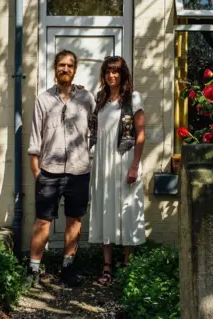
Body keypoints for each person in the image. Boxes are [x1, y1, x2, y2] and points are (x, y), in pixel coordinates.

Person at [26, 50, 96, 287]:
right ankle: (33, 270)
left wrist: (90, 154)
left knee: (74, 220)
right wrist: (36, 171)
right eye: (61, 65)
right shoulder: (43, 99)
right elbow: (35, 137)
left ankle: (68, 268)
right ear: (54, 68)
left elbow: (96, 129)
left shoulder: (87, 98)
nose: (65, 69)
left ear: (75, 70)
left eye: (69, 65)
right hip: (49, 171)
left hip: (79, 171)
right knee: (43, 221)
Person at [88, 56, 146, 284]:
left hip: (125, 160)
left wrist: (135, 165)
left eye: (116, 72)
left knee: (127, 208)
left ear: (123, 75)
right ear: (104, 75)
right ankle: (106, 265)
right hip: (103, 162)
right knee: (105, 207)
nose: (112, 75)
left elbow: (140, 134)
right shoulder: (100, 99)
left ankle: (127, 262)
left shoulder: (133, 99)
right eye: (108, 72)